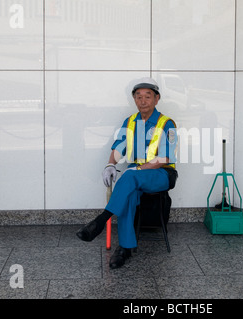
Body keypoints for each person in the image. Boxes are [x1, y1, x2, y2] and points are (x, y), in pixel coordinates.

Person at [76, 77, 178, 269]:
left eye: (148, 96)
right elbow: (118, 147)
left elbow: (165, 158)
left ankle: (101, 220)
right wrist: (110, 165)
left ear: (157, 99)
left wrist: (138, 169)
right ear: (134, 99)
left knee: (129, 176)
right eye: (138, 97)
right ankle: (125, 248)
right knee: (129, 193)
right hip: (135, 177)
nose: (143, 101)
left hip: (161, 175)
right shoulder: (129, 122)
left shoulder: (167, 123)